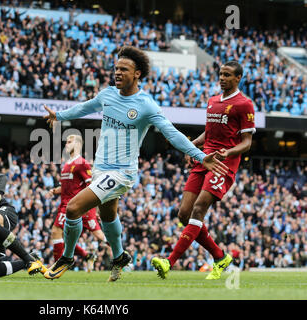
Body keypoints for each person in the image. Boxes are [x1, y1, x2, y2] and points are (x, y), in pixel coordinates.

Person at [43, 46, 228, 281]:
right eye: (116, 68)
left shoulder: (146, 105)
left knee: (73, 208)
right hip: (101, 168)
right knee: (107, 216)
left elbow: (171, 133)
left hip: (122, 173)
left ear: (137, 73)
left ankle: (66, 258)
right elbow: (84, 107)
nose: (117, 73)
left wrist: (201, 156)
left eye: (124, 69)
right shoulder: (107, 95)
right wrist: (58, 116)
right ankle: (119, 256)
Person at [151, 60, 255, 280]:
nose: (222, 78)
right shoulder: (213, 101)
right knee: (184, 214)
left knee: (199, 209)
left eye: (227, 75)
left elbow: (247, 142)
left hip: (222, 164)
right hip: (204, 159)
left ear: (238, 78)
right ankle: (220, 256)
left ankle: (169, 262)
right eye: (221, 74)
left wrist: (229, 152)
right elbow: (208, 133)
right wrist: (193, 147)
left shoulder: (244, 104)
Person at [48, 134, 107, 272]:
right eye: (66, 142)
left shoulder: (82, 163)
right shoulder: (66, 165)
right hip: (65, 205)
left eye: (70, 142)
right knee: (63, 236)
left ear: (78, 145)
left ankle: (59, 265)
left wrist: (94, 209)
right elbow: (65, 187)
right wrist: (54, 191)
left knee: (56, 232)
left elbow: (91, 187)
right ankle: (87, 256)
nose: (66, 144)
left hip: (73, 206)